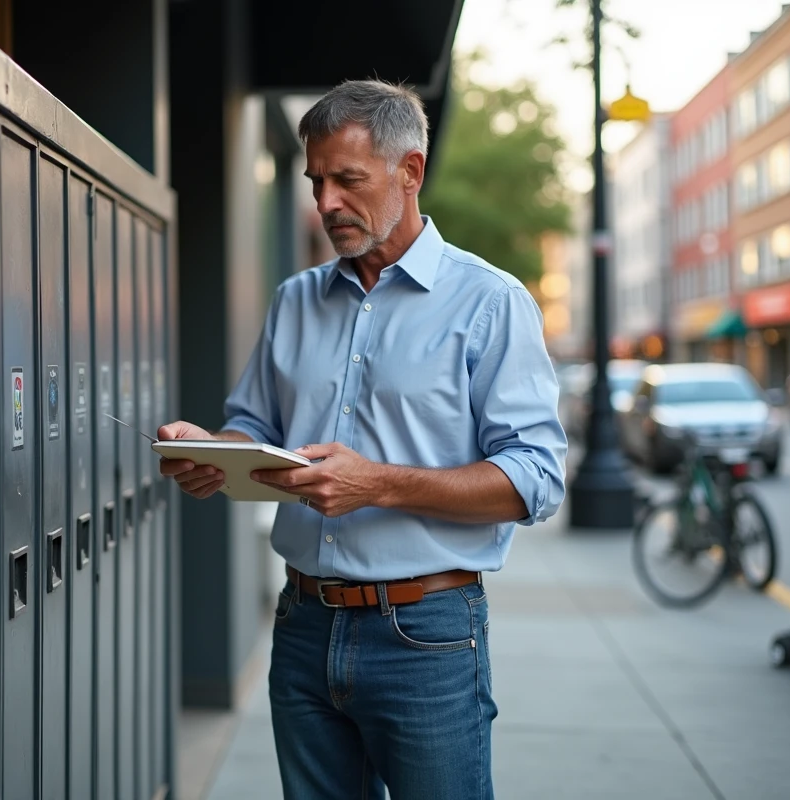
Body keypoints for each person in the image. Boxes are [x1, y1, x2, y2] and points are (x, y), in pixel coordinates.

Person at [157, 79, 567, 800]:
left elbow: (534, 480)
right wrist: (215, 453)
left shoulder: (491, 302)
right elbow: (256, 424)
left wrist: (377, 482)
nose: (326, 204)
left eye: (348, 180)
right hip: (304, 627)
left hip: (428, 637)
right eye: (317, 181)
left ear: (409, 172)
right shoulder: (295, 299)